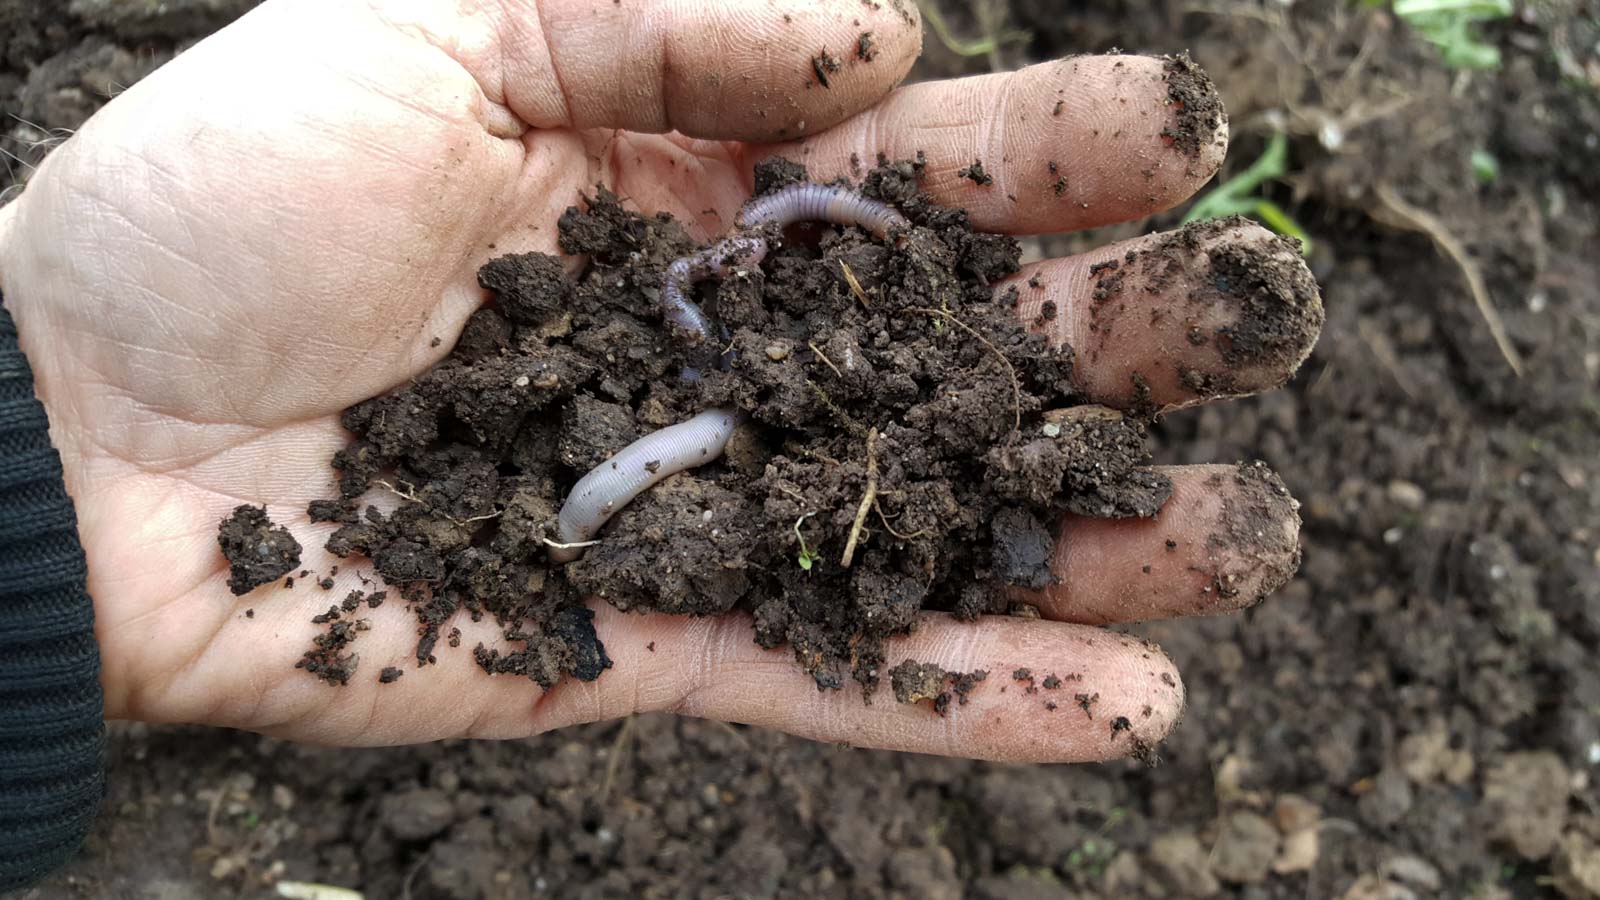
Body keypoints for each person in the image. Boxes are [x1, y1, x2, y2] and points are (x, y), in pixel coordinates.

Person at [0, 0, 1318, 890]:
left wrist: (52, 400)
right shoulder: (680, 359)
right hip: (621, 434)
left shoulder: (780, 372)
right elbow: (666, 441)